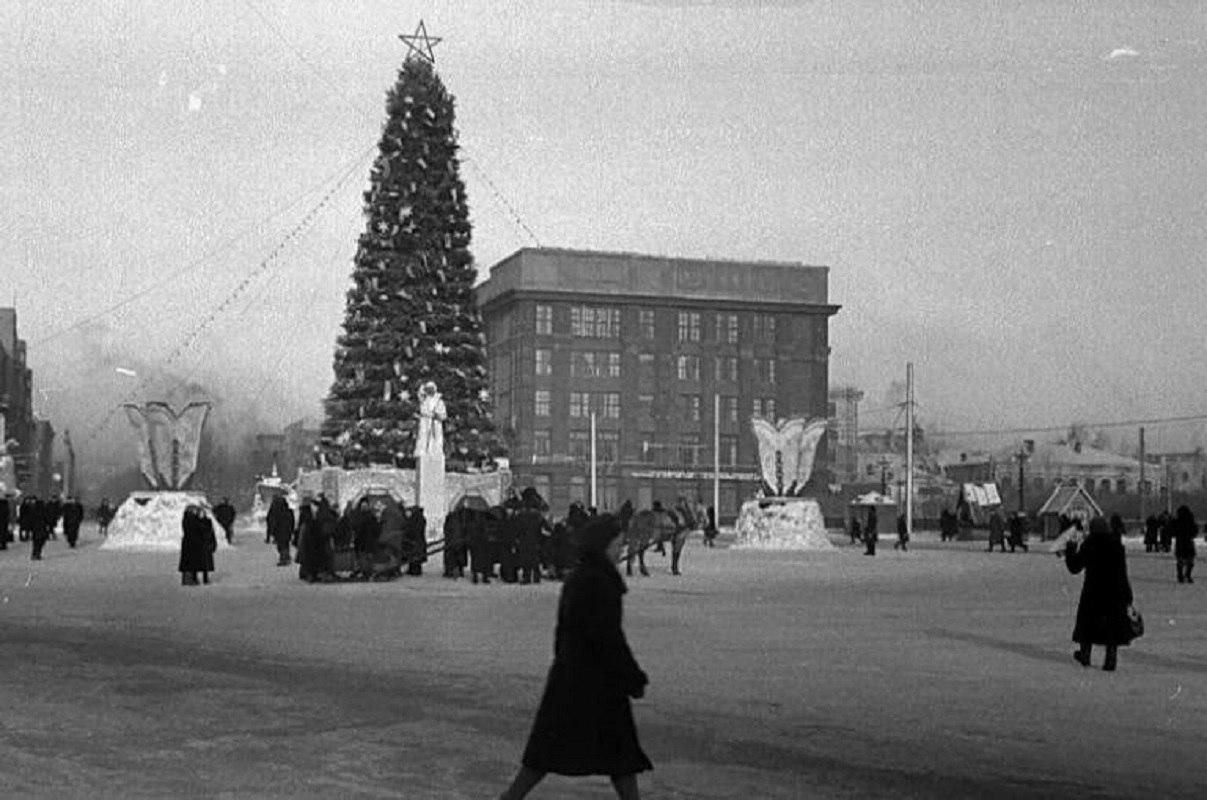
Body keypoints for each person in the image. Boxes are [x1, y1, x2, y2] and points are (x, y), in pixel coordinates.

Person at [499, 514, 651, 800]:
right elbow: (608, 636)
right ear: (603, 546)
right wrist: (631, 677)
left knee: (551, 750)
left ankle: (511, 797)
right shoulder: (599, 581)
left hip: (572, 677)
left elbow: (565, 631)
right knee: (617, 752)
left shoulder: (582, 577)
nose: (620, 551)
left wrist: (564, 663)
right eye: (617, 546)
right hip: (596, 681)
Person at [1065, 516, 1135, 671]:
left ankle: (1085, 656)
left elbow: (1074, 567)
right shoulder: (1117, 545)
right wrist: (1127, 595)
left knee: (1087, 625)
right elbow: (1122, 573)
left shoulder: (1090, 544)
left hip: (1093, 592)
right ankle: (1110, 660)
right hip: (1114, 593)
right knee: (1112, 628)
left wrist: (1070, 548)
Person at [179, 505, 218, 586]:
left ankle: (192, 579)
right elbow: (200, 529)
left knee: (193, 564)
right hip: (191, 546)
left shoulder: (190, 519)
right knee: (191, 564)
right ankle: (189, 580)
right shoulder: (190, 519)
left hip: (192, 546)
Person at [1171, 505, 1198, 584]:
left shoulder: (1176, 521)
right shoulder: (1191, 520)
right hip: (1189, 542)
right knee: (1190, 560)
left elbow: (1172, 531)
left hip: (1180, 542)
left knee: (1180, 560)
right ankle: (1188, 575)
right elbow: (1195, 531)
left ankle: (1180, 576)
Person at [266, 496, 295, 567]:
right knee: (285, 544)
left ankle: (284, 558)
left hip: (278, 531)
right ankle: (286, 557)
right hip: (286, 531)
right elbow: (292, 522)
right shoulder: (289, 511)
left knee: (281, 545)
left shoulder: (274, 512)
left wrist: (269, 534)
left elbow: (270, 522)